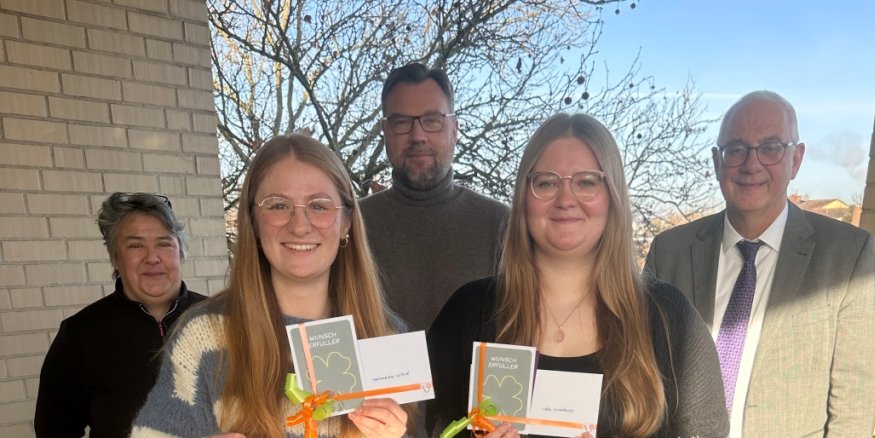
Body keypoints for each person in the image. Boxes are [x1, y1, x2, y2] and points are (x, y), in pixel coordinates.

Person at [427, 113, 729, 438]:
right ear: (524, 197)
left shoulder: (669, 320)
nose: (566, 199)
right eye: (546, 182)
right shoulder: (469, 312)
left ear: (612, 196)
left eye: (586, 182)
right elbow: (413, 425)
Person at [131, 134, 409, 437]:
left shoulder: (385, 336)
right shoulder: (205, 336)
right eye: (278, 205)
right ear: (253, 222)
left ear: (346, 224)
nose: (300, 225)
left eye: (318, 206)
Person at [644, 91, 875, 437]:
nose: (751, 164)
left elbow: (855, 396)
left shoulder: (846, 255)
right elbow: (642, 370)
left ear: (796, 159)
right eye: (735, 149)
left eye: (770, 148)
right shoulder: (670, 251)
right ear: (716, 162)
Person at [34, 192, 207, 438]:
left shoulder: (224, 321)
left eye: (164, 243)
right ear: (115, 258)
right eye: (135, 245)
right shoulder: (80, 335)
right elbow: (54, 431)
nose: (152, 258)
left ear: (181, 252)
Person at [360, 62, 510, 331]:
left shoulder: (501, 225)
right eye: (402, 122)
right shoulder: (349, 225)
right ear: (385, 132)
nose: (417, 136)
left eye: (432, 121)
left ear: (454, 129)